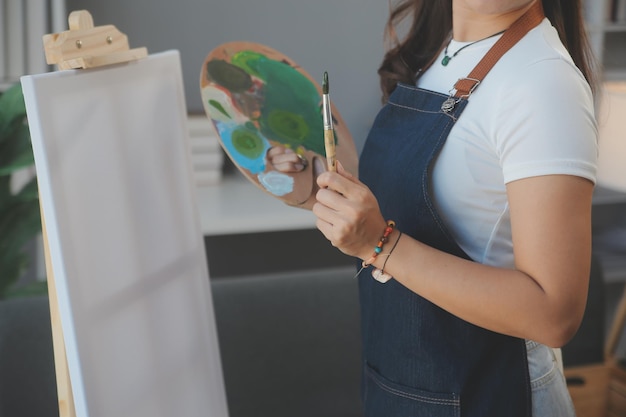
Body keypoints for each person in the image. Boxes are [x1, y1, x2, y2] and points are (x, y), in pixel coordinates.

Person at [308, 0, 598, 416]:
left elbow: (554, 314)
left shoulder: (543, 84)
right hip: (400, 386)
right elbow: (446, 202)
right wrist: (322, 183)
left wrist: (379, 243)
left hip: (488, 395)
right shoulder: (440, 54)